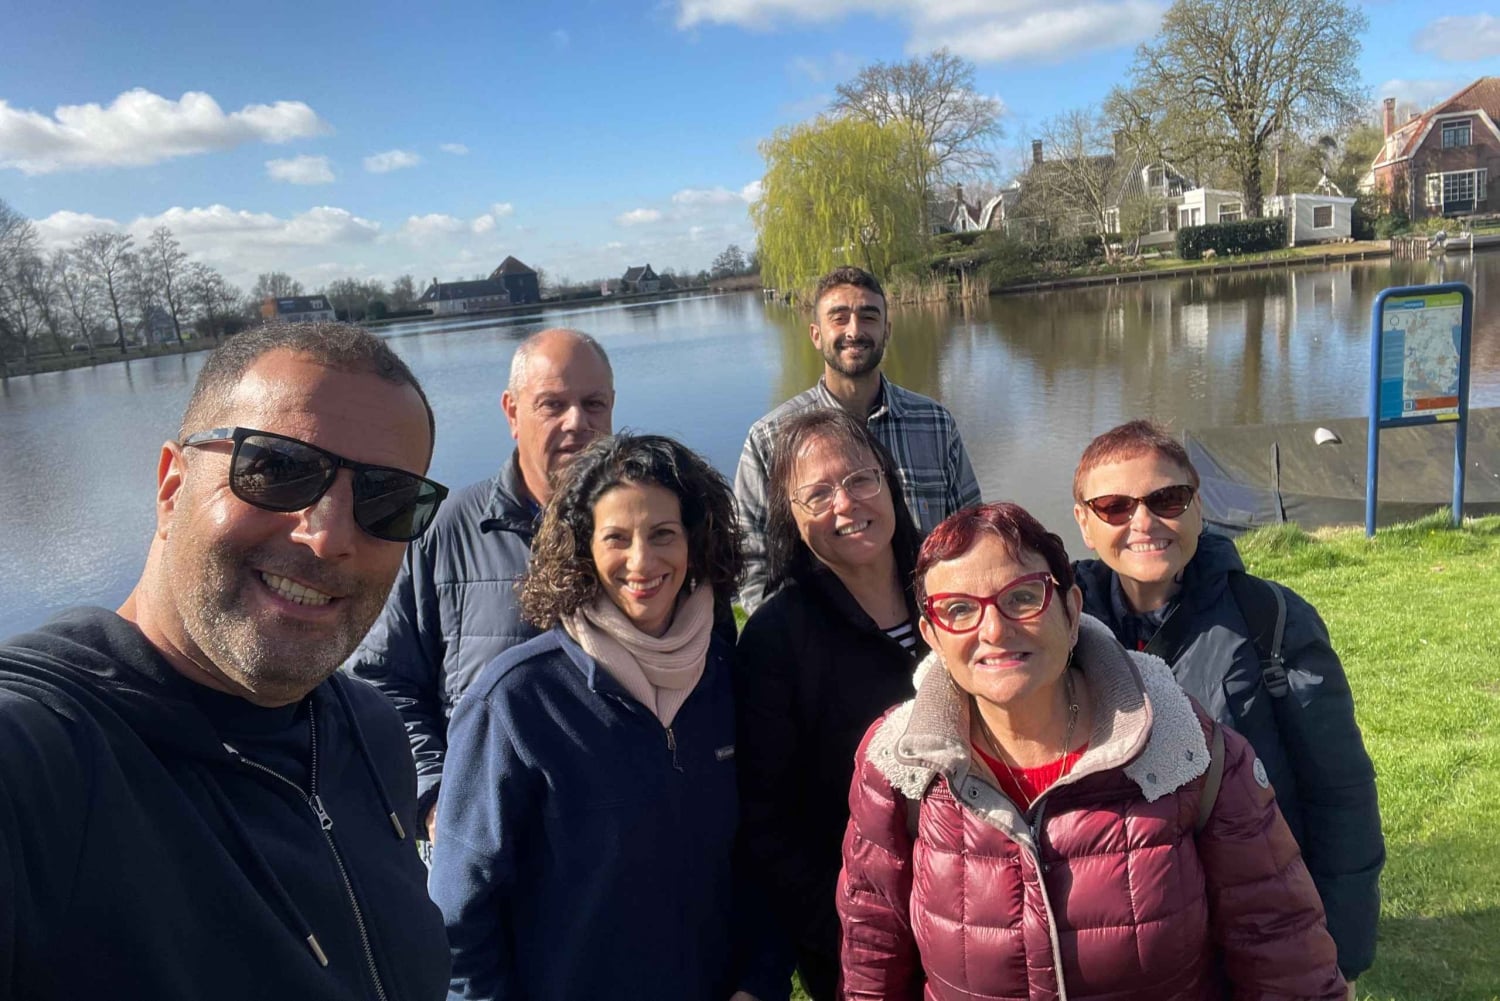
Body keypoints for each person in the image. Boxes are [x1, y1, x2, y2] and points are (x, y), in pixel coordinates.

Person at [0, 323, 452, 1000]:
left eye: (386, 500)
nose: (328, 535)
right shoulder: (40, 762)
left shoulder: (368, 729)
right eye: (277, 468)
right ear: (172, 485)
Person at [838, 502, 1348, 1000]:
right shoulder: (898, 766)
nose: (992, 631)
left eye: (1021, 598)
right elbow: (873, 951)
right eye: (958, 610)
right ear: (932, 636)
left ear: (1072, 607)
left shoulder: (1188, 753)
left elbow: (1282, 950)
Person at [430, 433, 783, 1001]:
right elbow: (458, 919)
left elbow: (758, 854)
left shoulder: (724, 676)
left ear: (695, 541)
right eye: (616, 538)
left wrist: (759, 982)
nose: (642, 561)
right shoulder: (514, 702)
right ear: (583, 550)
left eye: (663, 534)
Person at [1070, 419, 1383, 986]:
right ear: (1084, 524)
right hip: (1128, 937)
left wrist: (1342, 946)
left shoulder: (1271, 619)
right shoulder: (1061, 634)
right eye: (1115, 506)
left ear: (1196, 505)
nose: (1143, 523)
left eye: (1166, 498)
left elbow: (1340, 791)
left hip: (1255, 911)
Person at [347, 327, 614, 842]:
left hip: (622, 833)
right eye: (552, 404)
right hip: (493, 839)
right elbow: (384, 681)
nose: (577, 422)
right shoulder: (445, 531)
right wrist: (438, 798)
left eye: (594, 403)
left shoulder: (656, 534)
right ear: (512, 413)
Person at [734, 407, 924, 1001]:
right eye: (816, 495)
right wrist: (845, 935)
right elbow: (768, 824)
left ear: (888, 480)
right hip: (862, 942)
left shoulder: (951, 587)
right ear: (790, 517)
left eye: (860, 479)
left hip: (989, 910)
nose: (845, 504)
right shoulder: (776, 640)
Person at [733, 266, 981, 612]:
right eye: (839, 318)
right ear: (816, 334)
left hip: (930, 628)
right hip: (825, 645)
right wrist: (794, 641)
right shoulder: (771, 439)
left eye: (868, 317)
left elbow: (971, 533)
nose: (854, 330)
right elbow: (752, 562)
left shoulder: (934, 424)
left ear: (886, 330)